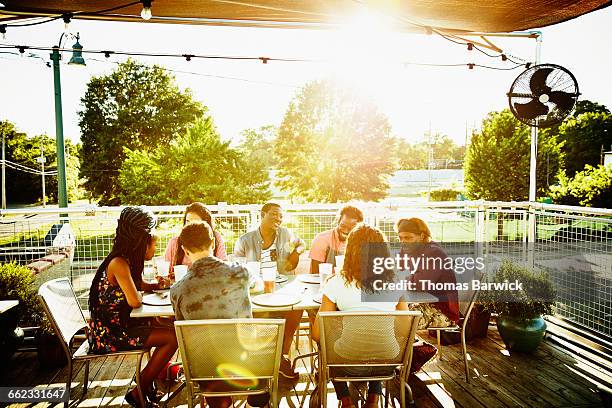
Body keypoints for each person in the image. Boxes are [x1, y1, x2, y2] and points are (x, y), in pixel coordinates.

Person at [88, 207, 178, 408]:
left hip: (119, 325)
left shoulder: (126, 260)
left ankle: (148, 384)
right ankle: (140, 390)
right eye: (153, 245)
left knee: (167, 324)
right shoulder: (119, 263)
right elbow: (135, 301)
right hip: (109, 334)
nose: (155, 250)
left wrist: (156, 285)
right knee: (172, 337)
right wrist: (140, 291)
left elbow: (138, 286)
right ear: (141, 242)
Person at [170, 221, 266, 408]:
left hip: (203, 368)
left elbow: (184, 333)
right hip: (245, 362)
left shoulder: (177, 290)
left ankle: (220, 403)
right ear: (213, 243)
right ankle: (254, 403)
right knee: (269, 350)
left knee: (205, 354)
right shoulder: (240, 272)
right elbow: (260, 285)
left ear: (184, 249)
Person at [311, 224, 407, 408]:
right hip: (389, 362)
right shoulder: (396, 281)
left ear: (350, 251)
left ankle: (346, 401)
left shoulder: (336, 282)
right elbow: (404, 329)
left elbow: (317, 334)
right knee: (377, 343)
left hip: (348, 364)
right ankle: (373, 399)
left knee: (329, 348)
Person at [233, 202, 305, 382]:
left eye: (280, 216)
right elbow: (238, 269)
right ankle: (265, 360)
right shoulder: (245, 240)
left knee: (296, 309)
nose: (278, 219)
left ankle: (282, 356)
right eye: (274, 214)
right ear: (263, 214)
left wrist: (296, 252)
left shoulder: (286, 234)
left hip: (282, 285)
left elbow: (302, 243)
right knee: (262, 313)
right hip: (255, 288)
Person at [395, 217, 460, 328]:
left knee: (393, 317)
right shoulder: (409, 249)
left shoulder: (433, 252)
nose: (403, 242)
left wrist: (403, 278)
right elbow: (396, 273)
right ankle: (404, 343)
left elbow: (420, 284)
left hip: (442, 312)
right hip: (422, 302)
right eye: (400, 238)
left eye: (408, 237)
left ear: (422, 236)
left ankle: (402, 344)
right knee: (386, 310)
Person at [165, 202, 227, 274]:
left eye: (195, 223)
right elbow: (167, 271)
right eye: (187, 221)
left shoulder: (215, 237)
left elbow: (224, 265)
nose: (190, 227)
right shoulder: (175, 242)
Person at [309, 205, 363, 274]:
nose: (346, 231)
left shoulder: (361, 241)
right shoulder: (322, 239)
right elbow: (315, 273)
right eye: (343, 226)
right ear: (338, 222)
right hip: (324, 282)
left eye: (351, 228)